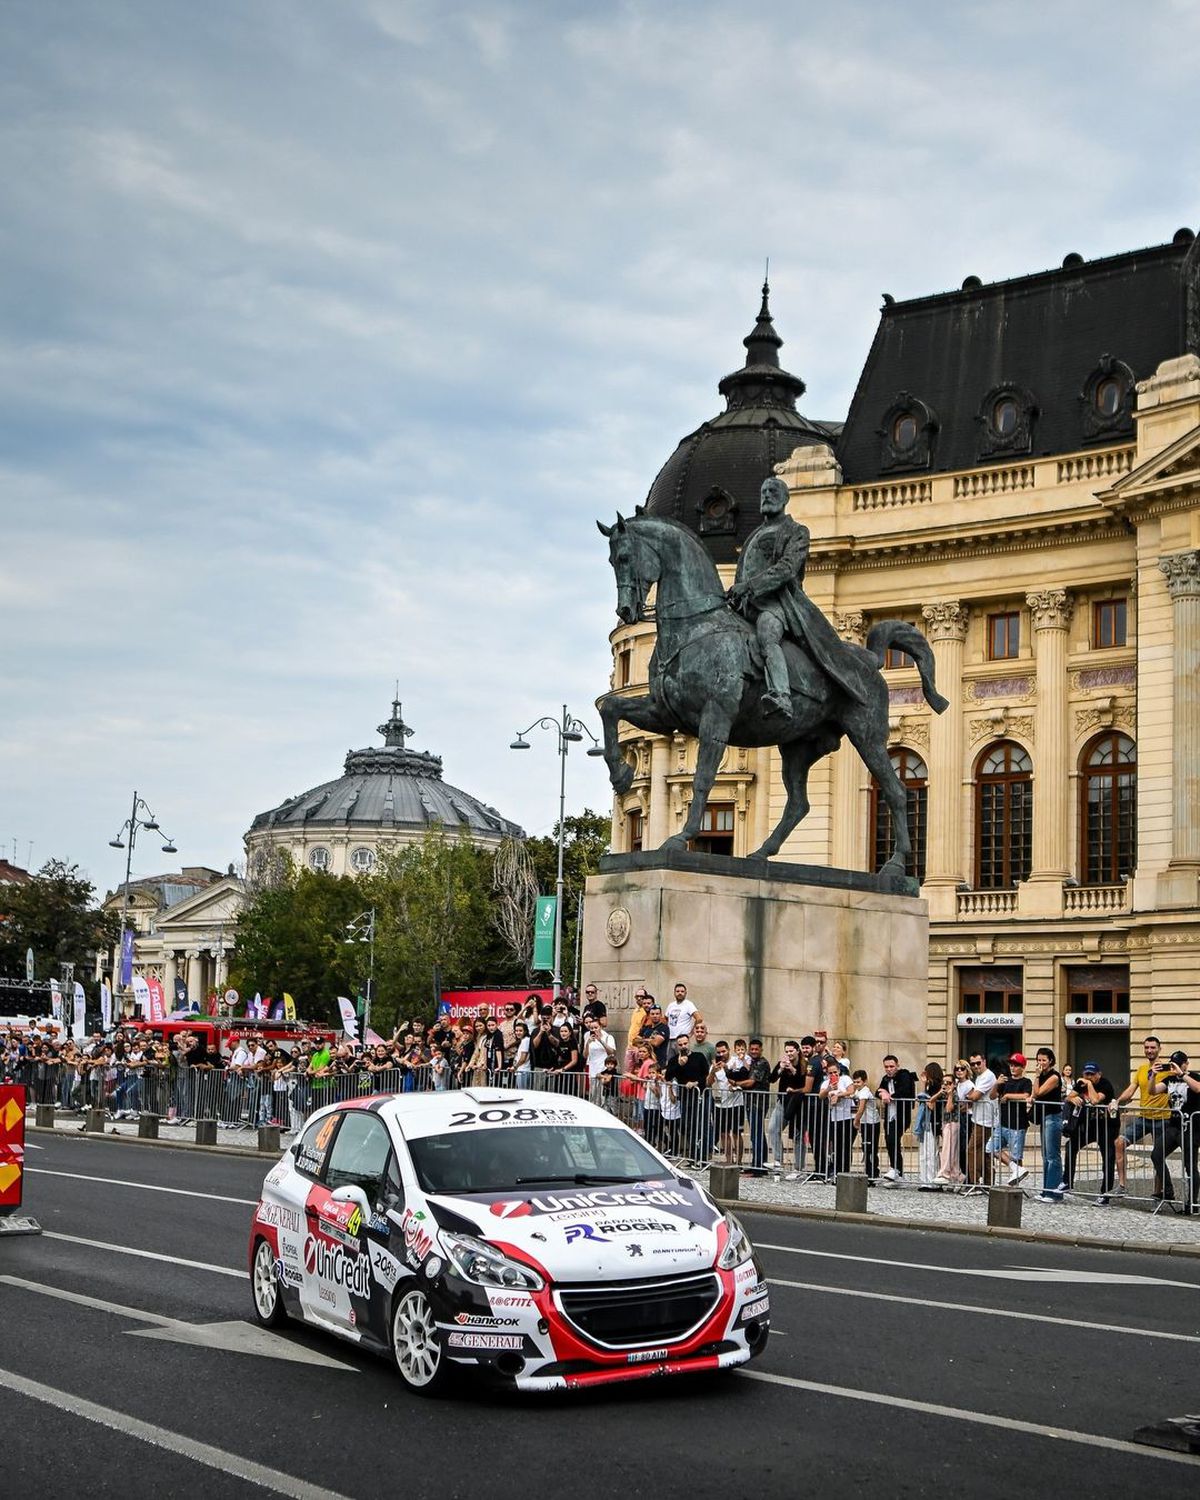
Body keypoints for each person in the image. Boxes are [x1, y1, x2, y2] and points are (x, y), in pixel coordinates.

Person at [725, 475, 866, 715]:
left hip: (777, 605)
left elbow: (787, 568)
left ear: (785, 499)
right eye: (764, 492)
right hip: (746, 606)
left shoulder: (796, 532)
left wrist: (749, 586)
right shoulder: (754, 535)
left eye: (772, 492)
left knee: (767, 636)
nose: (767, 496)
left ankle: (781, 695)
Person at [1114, 1035, 1173, 1199]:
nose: (1149, 1050)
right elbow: (1131, 1089)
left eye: (1153, 1047)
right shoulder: (1141, 1069)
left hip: (1163, 1119)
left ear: (1159, 1049)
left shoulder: (1168, 1069)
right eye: (1147, 1047)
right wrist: (1118, 1101)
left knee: (1158, 1156)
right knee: (1119, 1142)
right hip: (1144, 1117)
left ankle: (1157, 1192)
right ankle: (1122, 1185)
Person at [1149, 1050, 1200, 1209]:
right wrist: (1152, 1076)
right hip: (1173, 1126)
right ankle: (1168, 1191)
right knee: (1156, 1155)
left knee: (1190, 1165)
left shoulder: (1194, 1077)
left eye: (1178, 1064)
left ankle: (1192, 1201)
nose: (1175, 1067)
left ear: (1186, 1063)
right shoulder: (1169, 1079)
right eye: (1173, 1064)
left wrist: (1182, 1074)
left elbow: (1198, 1088)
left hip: (1191, 1127)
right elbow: (1153, 1091)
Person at [1064, 1062, 1116, 1204]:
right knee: (1071, 1146)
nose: (1089, 1077)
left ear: (1099, 1074)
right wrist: (1072, 1098)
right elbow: (1068, 1097)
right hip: (1090, 1125)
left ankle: (1105, 1193)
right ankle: (1067, 1182)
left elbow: (1094, 1100)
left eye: (1092, 1074)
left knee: (1108, 1158)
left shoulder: (1105, 1084)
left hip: (1107, 1125)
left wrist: (1089, 1084)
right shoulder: (1081, 1084)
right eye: (1086, 1074)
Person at [664, 1033, 709, 1163]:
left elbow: (705, 1075)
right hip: (685, 1097)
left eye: (685, 1043)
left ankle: (702, 1156)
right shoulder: (674, 1060)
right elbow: (668, 1077)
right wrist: (679, 1064)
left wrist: (695, 1083)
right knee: (688, 1126)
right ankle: (693, 1155)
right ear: (677, 1046)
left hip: (700, 1095)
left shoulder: (698, 1057)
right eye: (680, 1044)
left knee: (701, 1125)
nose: (683, 1046)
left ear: (689, 1043)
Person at [877, 1054, 918, 1184]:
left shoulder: (904, 1075)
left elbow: (905, 1090)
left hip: (901, 1115)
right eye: (886, 1067)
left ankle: (897, 1170)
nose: (889, 1069)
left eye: (891, 1066)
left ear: (897, 1065)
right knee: (890, 1142)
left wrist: (889, 1095)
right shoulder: (885, 1078)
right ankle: (896, 1170)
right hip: (890, 1115)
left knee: (893, 1139)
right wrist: (881, 1093)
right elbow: (878, 1090)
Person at [992, 1053, 1032, 1186]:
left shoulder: (1026, 1082)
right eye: (1011, 1065)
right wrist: (996, 1084)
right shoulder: (1005, 1081)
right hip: (1002, 1122)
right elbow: (993, 1096)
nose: (1013, 1068)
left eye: (1016, 1065)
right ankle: (1016, 1169)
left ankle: (1016, 1183)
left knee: (1017, 1156)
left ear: (1022, 1067)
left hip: (1017, 1123)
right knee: (992, 1148)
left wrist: (1008, 1095)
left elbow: (1026, 1096)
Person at [1031, 1047, 1065, 1204]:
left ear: (1051, 1060)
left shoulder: (1054, 1077)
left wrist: (1037, 1077)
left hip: (1053, 1117)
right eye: (1038, 1060)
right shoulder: (1042, 1075)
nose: (1041, 1063)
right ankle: (1046, 1190)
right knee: (1046, 1156)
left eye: (1044, 1060)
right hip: (1044, 1117)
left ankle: (1053, 1192)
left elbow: (1038, 1093)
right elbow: (1034, 1094)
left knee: (1053, 1156)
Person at [964, 1052, 998, 1186]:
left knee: (972, 1150)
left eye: (978, 1063)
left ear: (984, 1061)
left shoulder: (987, 1076)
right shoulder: (980, 1077)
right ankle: (988, 1182)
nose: (976, 1066)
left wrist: (969, 1096)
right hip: (979, 1118)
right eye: (973, 1064)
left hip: (985, 1120)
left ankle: (975, 1182)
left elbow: (975, 1096)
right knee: (985, 1152)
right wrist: (970, 1095)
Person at [741, 1039, 772, 1175]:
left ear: (761, 1050)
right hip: (750, 1102)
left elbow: (751, 1082)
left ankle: (758, 1166)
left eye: (756, 1049)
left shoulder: (762, 1063)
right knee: (756, 1134)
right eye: (751, 1049)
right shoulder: (751, 1063)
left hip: (757, 1103)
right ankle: (758, 1164)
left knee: (757, 1134)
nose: (753, 1051)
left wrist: (735, 1083)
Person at [822, 1056, 856, 1178]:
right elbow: (820, 1095)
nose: (833, 1075)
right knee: (836, 1145)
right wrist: (829, 1089)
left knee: (846, 1145)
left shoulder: (845, 1079)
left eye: (835, 1072)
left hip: (847, 1116)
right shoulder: (826, 1083)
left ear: (839, 1071)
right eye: (830, 1073)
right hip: (835, 1117)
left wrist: (840, 1095)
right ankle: (837, 1170)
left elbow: (851, 1090)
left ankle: (844, 1171)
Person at [914, 1062, 944, 1189]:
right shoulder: (931, 1086)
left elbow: (931, 1104)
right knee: (928, 1152)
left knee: (930, 1152)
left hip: (931, 1121)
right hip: (928, 1122)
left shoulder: (935, 1086)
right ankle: (927, 1179)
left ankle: (931, 1181)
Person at [852, 1069, 881, 1181]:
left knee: (870, 1148)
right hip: (865, 1122)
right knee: (866, 1147)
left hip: (871, 1122)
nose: (856, 1084)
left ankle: (872, 1172)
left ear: (864, 1081)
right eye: (854, 1082)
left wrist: (856, 1120)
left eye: (858, 1082)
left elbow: (861, 1108)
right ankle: (869, 1171)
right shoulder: (858, 1091)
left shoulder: (864, 1091)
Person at [582, 1015, 617, 1105]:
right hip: (593, 1071)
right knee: (593, 1097)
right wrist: (587, 1044)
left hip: (604, 1071)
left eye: (596, 1027)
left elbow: (612, 1052)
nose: (594, 1030)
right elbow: (585, 1055)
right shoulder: (588, 1038)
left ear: (600, 1027)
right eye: (592, 1028)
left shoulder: (608, 1037)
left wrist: (600, 1040)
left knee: (603, 1098)